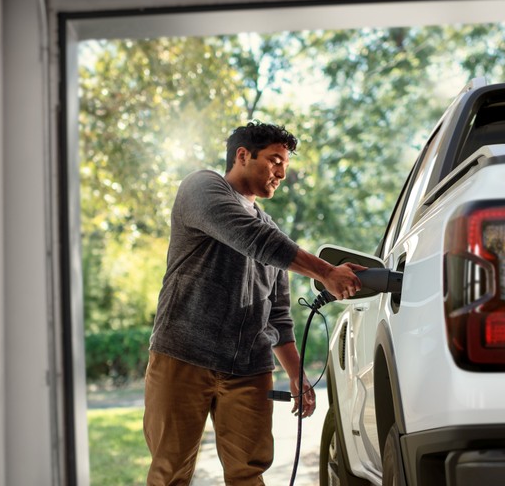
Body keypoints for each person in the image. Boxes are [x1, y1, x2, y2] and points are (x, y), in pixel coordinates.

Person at [143, 121, 363, 485]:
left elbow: (277, 314)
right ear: (242, 155)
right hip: (183, 356)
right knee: (170, 472)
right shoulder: (201, 187)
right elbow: (251, 239)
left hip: (249, 368)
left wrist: (296, 375)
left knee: (249, 473)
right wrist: (325, 272)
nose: (281, 173)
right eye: (275, 160)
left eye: (285, 166)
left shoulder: (273, 231)